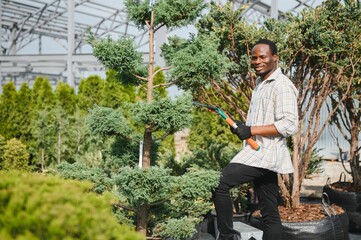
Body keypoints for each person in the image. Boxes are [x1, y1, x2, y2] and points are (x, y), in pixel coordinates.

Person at [212, 39, 299, 240]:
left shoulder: (282, 85)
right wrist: (245, 130)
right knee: (269, 212)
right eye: (254, 57)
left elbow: (289, 124)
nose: (257, 61)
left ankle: (227, 237)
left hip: (265, 154)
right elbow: (263, 120)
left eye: (262, 57)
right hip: (258, 151)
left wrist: (251, 129)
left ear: (275, 58)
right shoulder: (261, 84)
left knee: (219, 183)